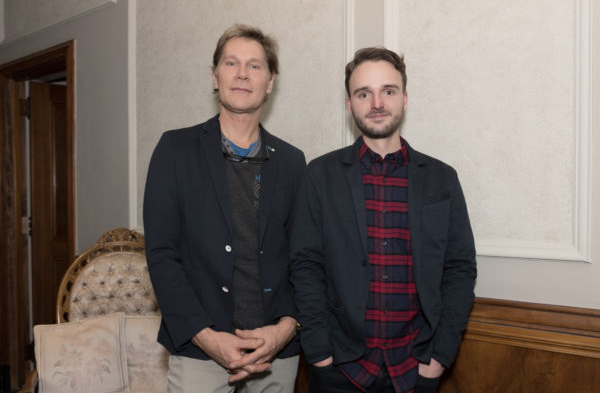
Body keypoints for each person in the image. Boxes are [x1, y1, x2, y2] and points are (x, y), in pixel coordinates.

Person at [290, 47, 477, 393]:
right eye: (364, 94)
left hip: (416, 368)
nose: (377, 103)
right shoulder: (320, 175)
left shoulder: (442, 179)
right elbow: (306, 264)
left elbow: (460, 268)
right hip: (339, 368)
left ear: (404, 99)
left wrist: (440, 356)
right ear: (350, 105)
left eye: (388, 91)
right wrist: (319, 353)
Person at [143, 24, 306, 392]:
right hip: (200, 349)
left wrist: (285, 329)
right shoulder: (175, 150)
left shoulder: (293, 162)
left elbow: (304, 258)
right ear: (215, 77)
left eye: (254, 65)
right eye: (231, 63)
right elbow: (162, 254)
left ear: (270, 82)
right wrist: (206, 337)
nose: (242, 74)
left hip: (275, 353)